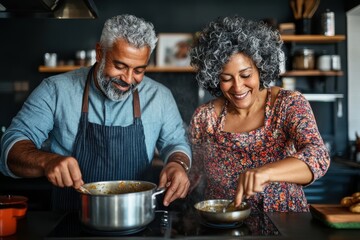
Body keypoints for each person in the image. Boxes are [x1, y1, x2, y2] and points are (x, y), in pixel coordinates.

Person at [0, 14, 191, 211]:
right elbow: (10, 148)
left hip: (137, 219)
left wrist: (178, 164)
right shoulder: (55, 90)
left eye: (139, 70)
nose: (128, 79)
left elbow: (176, 143)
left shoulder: (159, 96)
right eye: (119, 66)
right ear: (100, 53)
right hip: (71, 220)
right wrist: (46, 161)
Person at [188, 16, 330, 212]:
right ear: (214, 78)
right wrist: (176, 171)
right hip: (222, 223)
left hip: (283, 222)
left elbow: (318, 157)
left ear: (261, 68)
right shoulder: (205, 117)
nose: (238, 87)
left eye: (246, 75)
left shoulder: (287, 104)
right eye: (226, 78)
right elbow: (194, 172)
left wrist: (265, 173)